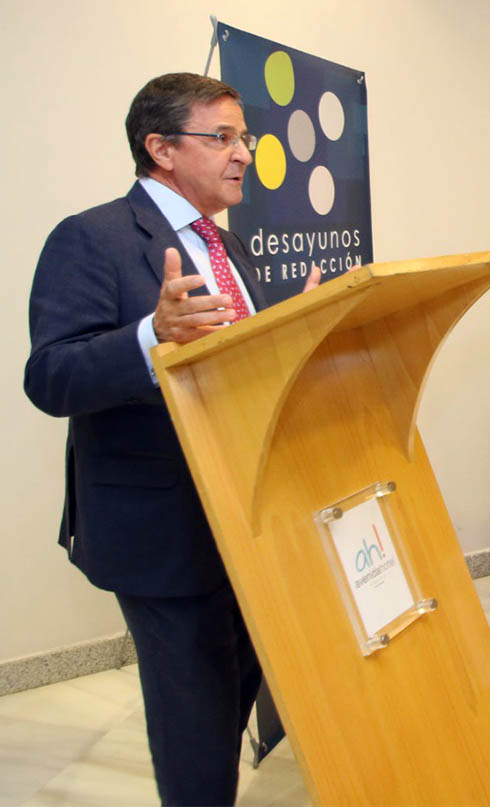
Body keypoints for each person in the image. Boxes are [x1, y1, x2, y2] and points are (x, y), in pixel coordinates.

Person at [24, 73, 319, 806]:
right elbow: (50, 376)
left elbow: (235, 369)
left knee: (237, 686)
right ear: (159, 148)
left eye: (244, 137)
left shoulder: (232, 248)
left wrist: (298, 333)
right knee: (193, 719)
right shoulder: (92, 237)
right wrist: (150, 336)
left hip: (248, 513)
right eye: (221, 137)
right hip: (159, 525)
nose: (243, 153)